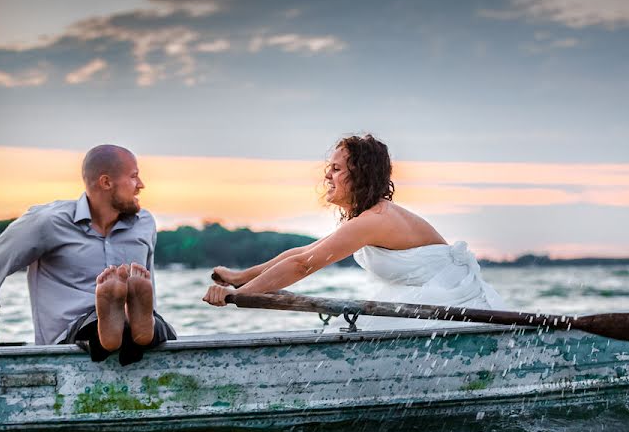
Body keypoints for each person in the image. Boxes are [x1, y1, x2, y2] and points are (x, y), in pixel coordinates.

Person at [203, 134, 504, 329]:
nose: (327, 174)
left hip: (456, 309)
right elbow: (302, 253)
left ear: (359, 175)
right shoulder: (366, 219)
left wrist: (238, 296)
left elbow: (303, 265)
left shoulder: (376, 220)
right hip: (427, 303)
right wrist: (243, 277)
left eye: (336, 168)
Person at [0, 144, 176, 364]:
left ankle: (138, 326)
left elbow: (146, 282)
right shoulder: (47, 221)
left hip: (137, 329)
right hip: (70, 335)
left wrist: (141, 311)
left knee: (145, 321)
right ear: (106, 182)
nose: (140, 185)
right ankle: (118, 322)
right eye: (134, 177)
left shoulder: (144, 223)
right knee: (102, 327)